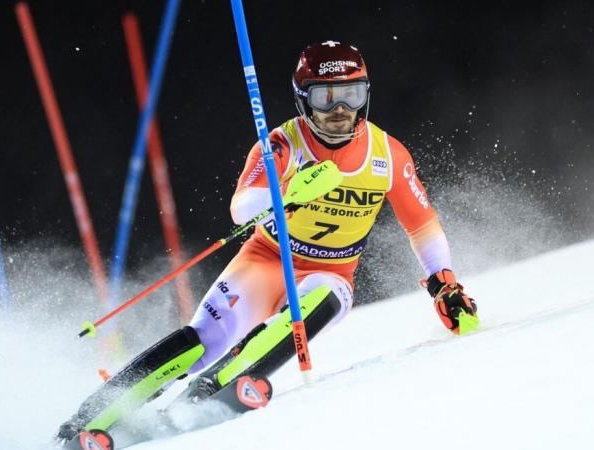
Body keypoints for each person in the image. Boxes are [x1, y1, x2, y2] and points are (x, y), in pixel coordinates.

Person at [57, 41, 479, 443]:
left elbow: (422, 224)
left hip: (331, 272)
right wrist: (286, 196)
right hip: (265, 258)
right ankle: (93, 415)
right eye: (324, 97)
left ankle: (206, 396)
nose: (339, 110)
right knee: (205, 338)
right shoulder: (281, 143)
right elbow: (243, 207)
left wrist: (443, 283)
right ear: (302, 99)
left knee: (323, 297)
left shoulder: (387, 155)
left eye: (351, 95)